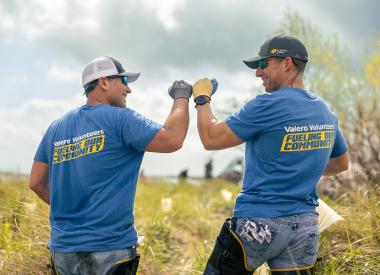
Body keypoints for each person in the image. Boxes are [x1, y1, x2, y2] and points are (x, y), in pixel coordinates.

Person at [192, 34, 349, 274]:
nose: (258, 72)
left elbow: (211, 138)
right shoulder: (324, 111)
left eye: (263, 64)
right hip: (306, 226)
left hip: (258, 223)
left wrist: (202, 99)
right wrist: (302, 167)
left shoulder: (266, 105)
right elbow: (340, 164)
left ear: (287, 63)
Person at [28, 56, 192, 275]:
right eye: (124, 80)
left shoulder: (55, 129)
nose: (128, 89)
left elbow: (36, 182)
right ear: (104, 82)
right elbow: (172, 139)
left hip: (63, 252)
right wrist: (181, 96)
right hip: (109, 250)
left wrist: (72, 210)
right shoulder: (120, 119)